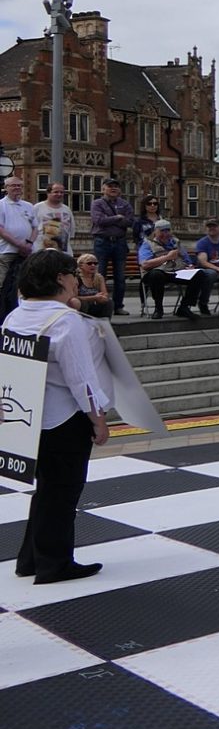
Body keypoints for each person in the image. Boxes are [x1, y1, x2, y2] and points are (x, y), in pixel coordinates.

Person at [6, 250, 116, 583]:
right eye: (71, 274)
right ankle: (54, 563)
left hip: (27, 418)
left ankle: (30, 559)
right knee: (63, 492)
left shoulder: (15, 316)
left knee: (46, 491)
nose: (75, 281)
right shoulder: (65, 320)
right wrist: (98, 418)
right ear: (60, 279)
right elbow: (80, 377)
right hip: (64, 418)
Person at [139, 219, 211, 319]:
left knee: (199, 274)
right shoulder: (147, 244)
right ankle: (158, 308)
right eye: (162, 231)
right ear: (155, 231)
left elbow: (187, 259)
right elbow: (145, 264)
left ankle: (184, 307)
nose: (165, 234)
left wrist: (189, 266)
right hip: (155, 272)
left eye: (167, 231)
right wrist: (167, 257)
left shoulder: (176, 242)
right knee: (157, 275)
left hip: (175, 271)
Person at [89, 179, 135, 316]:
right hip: (102, 242)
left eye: (116, 186)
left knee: (120, 277)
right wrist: (118, 218)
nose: (113, 188)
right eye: (110, 186)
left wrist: (111, 219)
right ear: (103, 189)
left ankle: (118, 306)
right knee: (99, 275)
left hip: (120, 242)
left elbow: (130, 222)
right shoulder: (97, 203)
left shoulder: (125, 204)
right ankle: (99, 305)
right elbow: (99, 221)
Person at [0, 176, 40, 316]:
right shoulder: (1, 205)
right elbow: (1, 230)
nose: (17, 188)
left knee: (26, 284)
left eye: (19, 186)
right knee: (2, 284)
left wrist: (28, 244)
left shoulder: (28, 206)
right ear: (6, 188)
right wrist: (18, 244)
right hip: (7, 252)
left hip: (28, 252)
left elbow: (35, 228)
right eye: (13, 186)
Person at [34, 183, 75, 255]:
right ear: (48, 193)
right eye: (56, 192)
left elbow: (71, 231)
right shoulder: (37, 208)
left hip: (64, 252)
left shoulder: (67, 209)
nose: (59, 194)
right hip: (41, 251)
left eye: (61, 192)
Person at [71, 254, 114, 318]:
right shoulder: (76, 278)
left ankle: (104, 323)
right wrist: (93, 297)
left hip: (95, 304)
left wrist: (103, 298)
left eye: (95, 263)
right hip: (83, 305)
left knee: (109, 302)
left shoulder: (99, 278)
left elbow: (105, 294)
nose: (93, 265)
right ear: (81, 265)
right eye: (89, 263)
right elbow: (74, 297)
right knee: (81, 303)